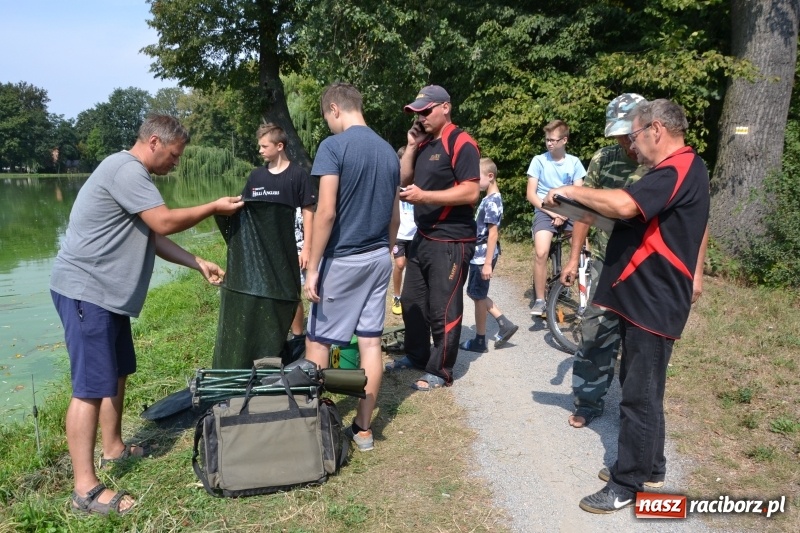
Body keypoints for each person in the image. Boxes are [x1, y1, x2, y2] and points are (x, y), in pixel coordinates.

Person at [50, 115, 244, 515]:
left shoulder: (133, 175)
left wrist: (197, 261)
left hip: (108, 297)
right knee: (88, 387)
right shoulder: (126, 170)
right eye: (174, 155)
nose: (177, 163)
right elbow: (164, 220)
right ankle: (84, 491)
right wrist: (212, 207)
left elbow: (152, 236)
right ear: (154, 142)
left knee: (117, 371)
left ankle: (114, 448)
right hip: (87, 292)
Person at [544, 99, 710, 513]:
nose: (632, 146)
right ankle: (650, 465)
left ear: (656, 129)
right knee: (643, 385)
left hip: (655, 298)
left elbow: (624, 205)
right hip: (640, 294)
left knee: (639, 394)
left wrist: (568, 191)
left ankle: (628, 483)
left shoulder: (677, 167)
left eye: (634, 135)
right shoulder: (680, 168)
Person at [303, 83, 400, 452]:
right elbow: (394, 215)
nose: (328, 124)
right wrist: (388, 252)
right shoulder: (389, 152)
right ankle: (363, 429)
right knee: (371, 342)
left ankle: (312, 424)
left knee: (318, 340)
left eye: (327, 117)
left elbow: (325, 212)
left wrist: (313, 267)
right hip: (378, 257)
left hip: (342, 259)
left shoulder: (333, 147)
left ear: (334, 108)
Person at [560, 94, 650, 428]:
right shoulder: (605, 158)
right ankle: (588, 400)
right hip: (603, 259)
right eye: (619, 136)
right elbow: (586, 210)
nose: (625, 142)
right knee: (595, 332)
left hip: (645, 265)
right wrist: (572, 259)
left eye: (629, 134)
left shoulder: (661, 162)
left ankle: (638, 410)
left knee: (641, 342)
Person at [385, 85, 480, 392]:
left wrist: (425, 196)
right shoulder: (424, 144)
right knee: (411, 300)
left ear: (445, 108)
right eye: (417, 113)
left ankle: (440, 369)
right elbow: (403, 179)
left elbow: (471, 191)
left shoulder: (462, 143)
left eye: (426, 111)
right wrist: (411, 146)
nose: (421, 118)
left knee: (443, 305)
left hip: (452, 240)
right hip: (423, 236)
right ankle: (416, 355)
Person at [244, 123, 316, 340]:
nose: (260, 150)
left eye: (264, 146)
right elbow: (246, 210)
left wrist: (307, 249)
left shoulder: (298, 175)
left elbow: (308, 212)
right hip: (265, 248)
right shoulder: (256, 177)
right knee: (269, 295)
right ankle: (272, 337)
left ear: (279, 146)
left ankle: (297, 338)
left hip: (294, 246)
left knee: (292, 295)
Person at [526, 120, 585, 317]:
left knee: (583, 249)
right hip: (545, 209)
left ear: (564, 140)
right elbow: (531, 195)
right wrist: (553, 213)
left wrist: (565, 214)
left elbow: (579, 193)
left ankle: (580, 293)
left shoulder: (574, 163)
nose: (549, 143)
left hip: (570, 210)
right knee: (541, 252)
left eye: (553, 140)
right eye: (547, 140)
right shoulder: (538, 161)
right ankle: (541, 299)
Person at [460, 157, 519, 352]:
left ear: (490, 176)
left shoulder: (493, 201)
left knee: (477, 296)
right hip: (479, 254)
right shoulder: (488, 199)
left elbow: (493, 233)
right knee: (476, 293)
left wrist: (487, 264)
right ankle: (504, 323)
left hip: (483, 256)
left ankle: (480, 340)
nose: (474, 182)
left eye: (478, 179)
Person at [391, 146, 417, 316]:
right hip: (400, 234)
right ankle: (397, 296)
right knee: (400, 264)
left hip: (416, 233)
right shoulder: (394, 184)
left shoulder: (417, 184)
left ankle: (413, 296)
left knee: (415, 267)